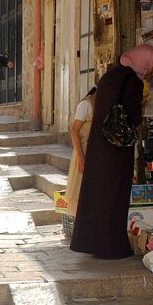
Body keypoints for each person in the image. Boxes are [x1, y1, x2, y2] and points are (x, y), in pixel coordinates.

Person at [70, 44, 153, 259]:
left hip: (99, 147)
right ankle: (111, 246)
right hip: (117, 150)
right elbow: (134, 118)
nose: (152, 71)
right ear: (143, 61)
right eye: (152, 66)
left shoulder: (110, 76)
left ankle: (92, 243)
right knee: (114, 196)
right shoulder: (132, 82)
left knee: (97, 195)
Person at [64, 87, 97, 220]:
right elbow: (74, 131)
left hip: (96, 153)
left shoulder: (103, 104)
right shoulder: (86, 105)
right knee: (80, 189)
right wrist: (81, 157)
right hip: (83, 151)